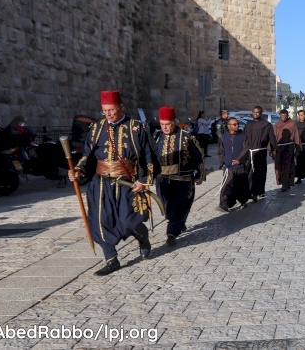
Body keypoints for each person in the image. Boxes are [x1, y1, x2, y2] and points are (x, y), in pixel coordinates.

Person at [69, 90, 159, 276]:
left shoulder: (137, 128)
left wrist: (144, 181)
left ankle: (142, 238)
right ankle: (111, 259)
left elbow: (149, 156)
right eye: (105, 111)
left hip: (128, 183)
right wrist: (78, 170)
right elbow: (88, 156)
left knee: (129, 221)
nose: (108, 114)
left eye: (111, 110)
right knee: (100, 221)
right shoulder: (96, 129)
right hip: (101, 183)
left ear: (121, 107)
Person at [155, 106, 205, 247]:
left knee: (181, 206)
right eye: (162, 124)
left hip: (183, 181)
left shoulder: (187, 137)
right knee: (167, 208)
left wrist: (200, 174)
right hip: (163, 180)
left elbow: (198, 157)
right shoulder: (156, 137)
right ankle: (178, 223)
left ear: (174, 122)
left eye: (168, 124)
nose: (165, 127)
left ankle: (172, 233)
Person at [218, 117, 249, 211]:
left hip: (240, 166)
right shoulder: (223, 137)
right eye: (234, 124)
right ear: (228, 126)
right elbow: (220, 151)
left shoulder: (242, 136)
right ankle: (224, 204)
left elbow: (246, 149)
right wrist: (224, 161)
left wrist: (239, 159)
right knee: (227, 185)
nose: (237, 126)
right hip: (229, 167)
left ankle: (243, 201)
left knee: (241, 185)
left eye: (237, 124)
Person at [242, 106, 273, 200]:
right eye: (254, 112)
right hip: (249, 152)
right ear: (252, 112)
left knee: (260, 172)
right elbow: (244, 137)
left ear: (261, 113)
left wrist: (273, 149)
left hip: (260, 152)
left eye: (258, 112)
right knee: (249, 172)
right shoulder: (248, 124)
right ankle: (250, 191)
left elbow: (271, 138)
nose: (255, 114)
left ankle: (259, 190)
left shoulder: (267, 125)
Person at [273, 109, 301, 192]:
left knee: (288, 167)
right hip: (279, 149)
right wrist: (272, 149)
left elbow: (296, 136)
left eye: (284, 116)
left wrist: (297, 148)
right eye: (281, 116)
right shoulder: (277, 124)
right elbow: (274, 137)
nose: (282, 118)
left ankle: (286, 184)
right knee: (279, 167)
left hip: (289, 148)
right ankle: (282, 183)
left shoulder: (292, 124)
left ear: (287, 115)